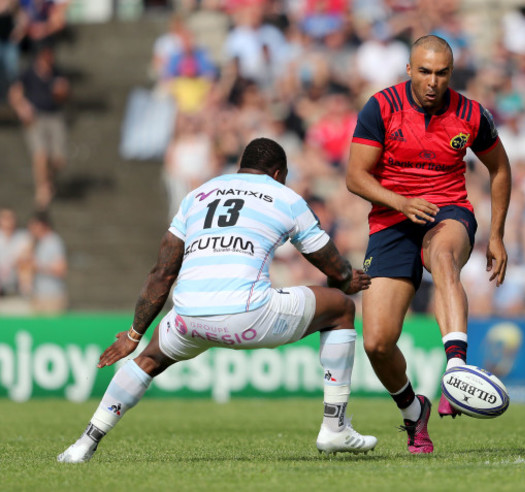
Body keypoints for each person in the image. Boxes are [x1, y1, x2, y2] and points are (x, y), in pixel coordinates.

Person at [58, 138, 377, 463]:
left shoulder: (197, 195)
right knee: (341, 309)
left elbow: (161, 274)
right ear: (278, 173)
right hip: (249, 316)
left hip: (188, 319)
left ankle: (85, 442)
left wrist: (133, 335)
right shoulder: (285, 197)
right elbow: (334, 267)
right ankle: (335, 427)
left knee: (148, 359)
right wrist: (347, 281)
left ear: (241, 166)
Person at [346, 35, 512, 454]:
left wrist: (495, 234)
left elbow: (500, 168)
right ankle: (412, 412)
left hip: (447, 212)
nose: (433, 81)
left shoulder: (472, 114)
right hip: (392, 219)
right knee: (376, 342)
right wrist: (400, 201)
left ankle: (455, 368)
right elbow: (355, 177)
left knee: (443, 258)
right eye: (424, 72)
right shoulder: (381, 107)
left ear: (450, 74)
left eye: (441, 73)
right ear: (409, 70)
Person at [9, 43, 69, 208]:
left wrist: (62, 92)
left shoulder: (57, 73)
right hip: (35, 117)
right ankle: (42, 189)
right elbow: (15, 92)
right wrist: (21, 108)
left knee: (58, 160)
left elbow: (64, 95)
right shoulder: (27, 73)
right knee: (40, 155)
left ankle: (48, 180)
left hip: (55, 116)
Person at [26, 209, 67, 313]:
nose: (31, 229)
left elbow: (61, 269)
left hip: (52, 296)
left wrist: (38, 266)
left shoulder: (54, 242)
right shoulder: (39, 242)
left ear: (41, 225)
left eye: (34, 225)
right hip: (39, 294)